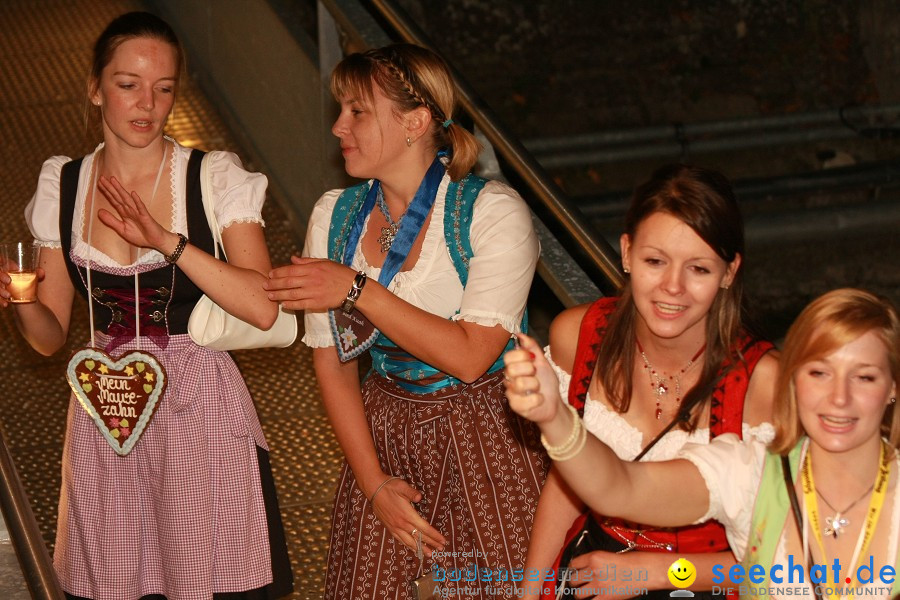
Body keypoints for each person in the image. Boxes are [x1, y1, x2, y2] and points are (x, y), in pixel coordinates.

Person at [0, 12, 292, 599]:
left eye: (163, 89)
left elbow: (265, 307)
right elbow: (49, 335)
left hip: (199, 408)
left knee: (206, 579)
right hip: (106, 408)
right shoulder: (65, 183)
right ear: (94, 88)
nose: (147, 104)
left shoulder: (212, 178)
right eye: (127, 84)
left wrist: (167, 241)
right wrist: (17, 297)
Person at [264, 43, 548, 598]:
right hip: (384, 424)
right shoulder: (335, 216)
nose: (338, 127)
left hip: (487, 431)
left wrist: (354, 288)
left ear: (416, 122)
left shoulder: (491, 213)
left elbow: (470, 358)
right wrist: (372, 486)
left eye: (357, 111)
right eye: (340, 110)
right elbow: (333, 362)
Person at [505, 288, 900, 600]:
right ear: (793, 380)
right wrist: (555, 417)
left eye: (864, 377)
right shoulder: (751, 471)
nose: (839, 398)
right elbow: (620, 487)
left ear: (892, 388)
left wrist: (658, 572)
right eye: (819, 373)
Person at [519, 164, 779, 599]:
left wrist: (657, 572)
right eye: (655, 261)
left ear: (729, 272)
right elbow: (566, 484)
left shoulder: (761, 383)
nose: (672, 287)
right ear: (626, 253)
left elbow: (780, 563)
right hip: (593, 569)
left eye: (698, 269)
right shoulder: (577, 337)